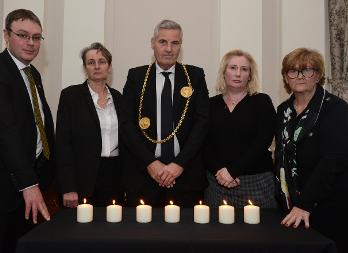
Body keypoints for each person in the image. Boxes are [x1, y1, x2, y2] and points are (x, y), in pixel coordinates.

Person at [0, 9, 54, 253]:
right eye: (23, 35)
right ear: (6, 35)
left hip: (26, 186)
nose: (30, 43)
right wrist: (29, 185)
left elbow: (39, 124)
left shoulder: (32, 73)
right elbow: (5, 133)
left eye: (36, 37)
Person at [122, 19, 209, 207]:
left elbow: (202, 123)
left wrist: (178, 165)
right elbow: (127, 124)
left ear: (180, 46)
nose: (169, 48)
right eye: (163, 42)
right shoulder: (136, 77)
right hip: (144, 175)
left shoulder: (195, 76)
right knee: (142, 235)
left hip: (185, 176)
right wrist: (151, 163)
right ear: (152, 43)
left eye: (175, 43)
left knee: (185, 235)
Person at [275, 48, 348, 253]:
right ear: (285, 77)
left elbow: (333, 161)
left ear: (317, 75)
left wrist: (305, 204)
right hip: (290, 203)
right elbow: (281, 156)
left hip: (326, 202)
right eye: (292, 71)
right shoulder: (283, 110)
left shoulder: (336, 109)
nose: (299, 76)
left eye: (306, 70)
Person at [203, 49, 277, 208]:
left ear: (250, 75)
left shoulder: (262, 102)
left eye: (244, 69)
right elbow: (203, 143)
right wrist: (220, 172)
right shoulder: (210, 104)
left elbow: (262, 141)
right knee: (215, 232)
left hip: (255, 181)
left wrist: (233, 171)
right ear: (224, 72)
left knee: (259, 232)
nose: (238, 74)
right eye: (233, 68)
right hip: (217, 182)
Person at [56, 42, 124, 207]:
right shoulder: (70, 96)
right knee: (81, 231)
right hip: (82, 178)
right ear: (85, 68)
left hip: (115, 176)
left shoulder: (119, 98)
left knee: (112, 229)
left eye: (101, 61)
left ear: (109, 66)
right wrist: (68, 187)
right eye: (91, 62)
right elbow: (63, 144)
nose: (97, 66)